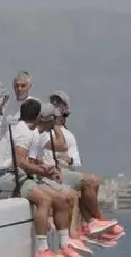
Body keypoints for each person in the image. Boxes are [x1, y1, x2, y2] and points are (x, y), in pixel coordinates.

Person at [0, 99, 86, 257]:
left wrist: (43, 169)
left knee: (60, 198)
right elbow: (21, 162)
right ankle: (42, 249)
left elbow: (26, 162)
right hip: (5, 177)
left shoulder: (22, 129)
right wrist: (42, 171)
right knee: (45, 199)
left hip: (16, 175)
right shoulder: (23, 132)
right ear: (37, 117)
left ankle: (64, 244)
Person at [47, 91, 125, 245]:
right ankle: (94, 223)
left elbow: (76, 160)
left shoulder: (68, 134)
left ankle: (93, 226)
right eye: (53, 102)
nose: (55, 105)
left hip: (66, 172)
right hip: (52, 173)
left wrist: (68, 159)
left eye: (58, 102)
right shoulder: (44, 129)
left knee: (90, 183)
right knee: (91, 182)